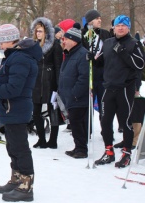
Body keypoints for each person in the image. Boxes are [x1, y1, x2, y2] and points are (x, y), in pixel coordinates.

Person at [0, 24, 42, 202]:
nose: (0, 46)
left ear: (10, 40)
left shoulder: (20, 58)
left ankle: (26, 186)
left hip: (16, 108)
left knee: (20, 147)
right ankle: (16, 179)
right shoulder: (15, 56)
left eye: (1, 42)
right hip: (10, 109)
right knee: (12, 146)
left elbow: (13, 88)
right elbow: (9, 79)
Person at [94, 15, 145, 168]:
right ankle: (108, 151)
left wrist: (123, 52)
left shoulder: (134, 44)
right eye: (118, 25)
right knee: (105, 121)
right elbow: (101, 61)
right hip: (109, 87)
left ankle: (126, 153)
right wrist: (92, 58)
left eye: (124, 25)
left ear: (128, 27)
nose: (121, 28)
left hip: (125, 88)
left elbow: (140, 64)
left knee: (125, 123)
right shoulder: (109, 43)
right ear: (114, 27)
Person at [58, 24, 90, 159]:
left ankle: (82, 149)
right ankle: (78, 147)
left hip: (78, 98)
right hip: (70, 97)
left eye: (66, 39)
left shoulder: (82, 54)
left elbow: (84, 77)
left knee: (78, 124)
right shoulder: (70, 54)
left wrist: (74, 94)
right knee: (75, 124)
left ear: (74, 40)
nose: (63, 41)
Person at [30, 17, 63, 149]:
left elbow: (58, 65)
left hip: (50, 81)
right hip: (36, 82)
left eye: (41, 31)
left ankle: (53, 140)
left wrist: (58, 84)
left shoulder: (55, 45)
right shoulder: (33, 45)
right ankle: (41, 139)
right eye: (37, 31)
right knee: (36, 112)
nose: (38, 33)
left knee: (53, 111)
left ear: (46, 32)